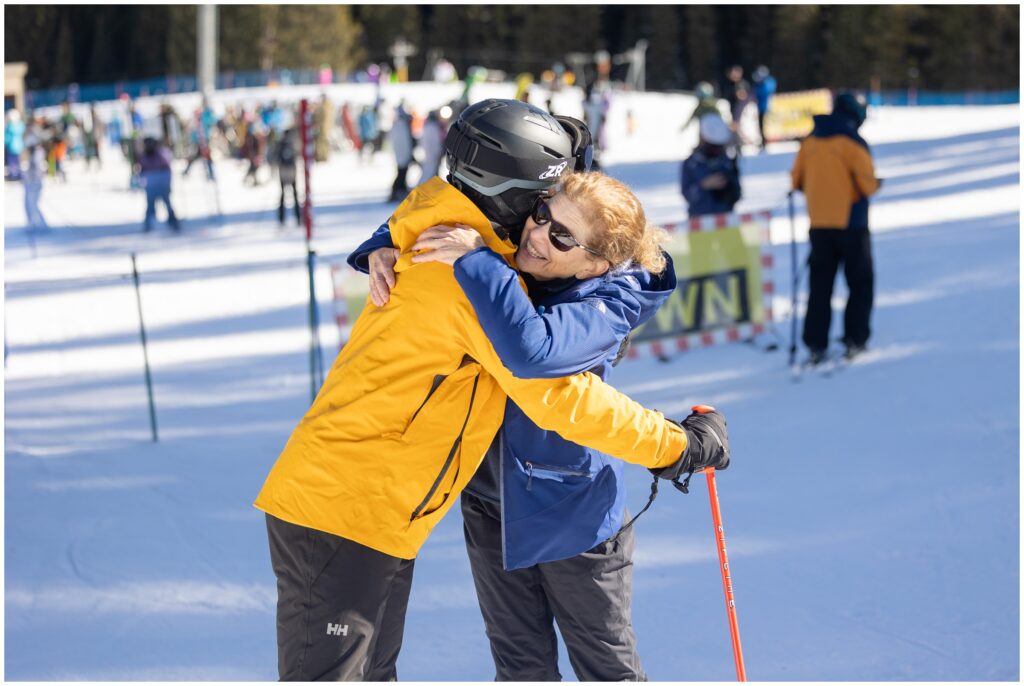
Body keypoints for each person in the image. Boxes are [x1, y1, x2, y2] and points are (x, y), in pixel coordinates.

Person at [254, 99, 731, 682]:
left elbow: (557, 348)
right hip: (345, 508)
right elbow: (557, 395)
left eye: (557, 228)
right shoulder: (466, 269)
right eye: (538, 210)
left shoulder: (471, 239)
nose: (538, 232)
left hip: (387, 511)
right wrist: (674, 445)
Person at [352, 171, 692, 681]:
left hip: (573, 514)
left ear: (596, 263)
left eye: (562, 237)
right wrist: (385, 242)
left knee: (606, 669)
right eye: (541, 215)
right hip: (492, 505)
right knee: (519, 670)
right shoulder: (525, 251)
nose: (537, 235)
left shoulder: (606, 305)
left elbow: (532, 351)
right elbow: (453, 193)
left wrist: (477, 260)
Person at [791, 91, 881, 364]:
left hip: (819, 225)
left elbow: (796, 180)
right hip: (852, 224)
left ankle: (816, 344)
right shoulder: (853, 143)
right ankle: (856, 338)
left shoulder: (811, 140)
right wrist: (877, 184)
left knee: (820, 287)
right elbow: (867, 185)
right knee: (859, 283)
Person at [681, 113, 742, 217]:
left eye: (719, 147)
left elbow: (737, 194)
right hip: (699, 223)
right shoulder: (691, 164)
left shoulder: (727, 162)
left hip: (727, 222)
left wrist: (727, 187)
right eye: (713, 147)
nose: (717, 151)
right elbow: (687, 194)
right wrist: (703, 186)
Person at [136, 136, 180, 233]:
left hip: (158, 183)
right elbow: (140, 171)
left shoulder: (160, 155)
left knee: (165, 204)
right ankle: (149, 225)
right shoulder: (145, 157)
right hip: (153, 184)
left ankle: (173, 223)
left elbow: (167, 169)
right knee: (152, 206)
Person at [272, 128, 301, 227]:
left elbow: (275, 156)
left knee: (283, 195)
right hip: (292, 171)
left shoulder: (280, 143)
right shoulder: (293, 143)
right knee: (294, 194)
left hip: (283, 172)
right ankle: (298, 218)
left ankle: (282, 219)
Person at [388, 101, 414, 201]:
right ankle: (396, 191)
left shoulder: (401, 125)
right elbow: (401, 143)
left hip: (403, 155)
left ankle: (400, 190)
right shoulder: (400, 125)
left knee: (403, 173)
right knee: (401, 173)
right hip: (402, 155)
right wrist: (405, 155)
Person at [22, 134, 47, 230]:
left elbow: (37, 169)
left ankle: (41, 225)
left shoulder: (38, 153)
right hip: (30, 182)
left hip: (35, 183)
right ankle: (32, 223)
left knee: (33, 205)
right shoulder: (32, 153)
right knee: (28, 204)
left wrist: (33, 180)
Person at [752, 65, 777, 151]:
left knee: (765, 126)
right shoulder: (760, 85)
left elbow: (766, 91)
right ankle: (763, 141)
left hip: (765, 108)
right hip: (759, 109)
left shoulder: (767, 84)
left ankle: (765, 141)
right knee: (760, 126)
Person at [418, 109, 445, 184]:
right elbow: (436, 142)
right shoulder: (434, 127)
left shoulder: (427, 126)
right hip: (433, 154)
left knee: (428, 171)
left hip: (428, 154)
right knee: (430, 171)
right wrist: (438, 152)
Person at [5, 109, 25, 180]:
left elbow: (6, 138)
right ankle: (19, 174)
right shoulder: (21, 125)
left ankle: (14, 175)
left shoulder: (9, 127)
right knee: (18, 161)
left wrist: (5, 144)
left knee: (12, 161)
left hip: (11, 146)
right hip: (19, 146)